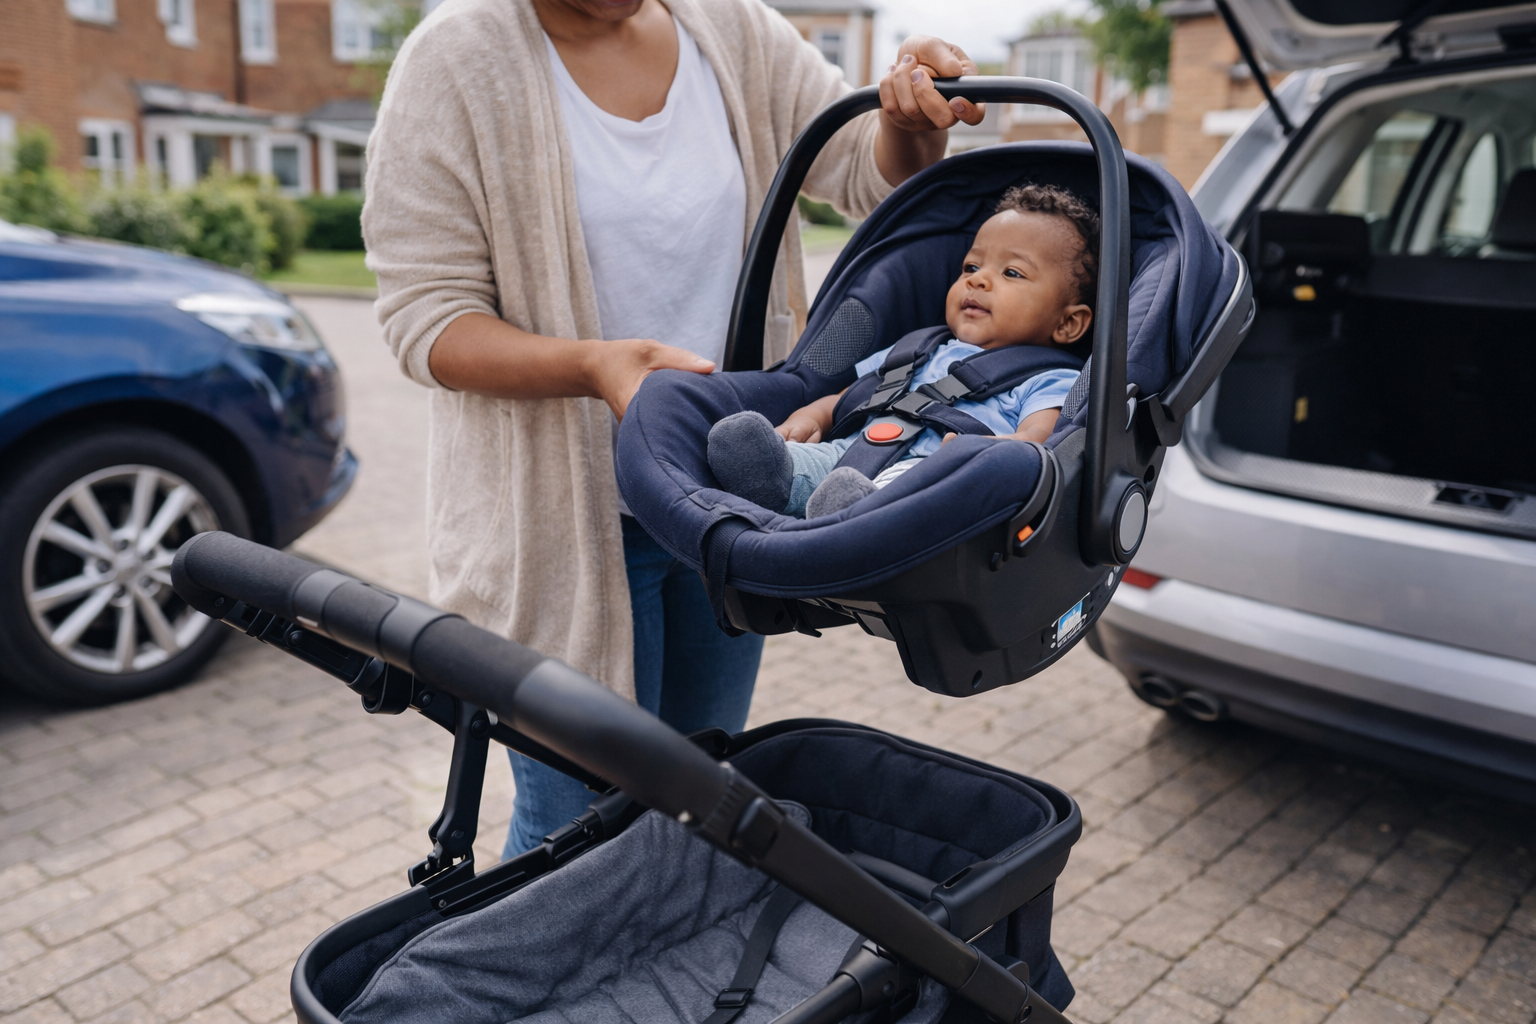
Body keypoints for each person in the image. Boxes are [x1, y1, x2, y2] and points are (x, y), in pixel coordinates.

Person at [362, 0, 984, 857]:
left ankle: (659, 979)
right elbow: (425, 320)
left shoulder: (731, 31)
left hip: (721, 508)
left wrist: (909, 117)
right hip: (565, 531)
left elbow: (868, 174)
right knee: (577, 830)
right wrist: (595, 365)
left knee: (701, 799)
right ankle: (538, 985)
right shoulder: (456, 61)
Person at [707, 184, 1098, 519]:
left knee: (886, 493)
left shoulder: (1052, 378)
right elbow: (854, 396)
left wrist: (988, 453)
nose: (978, 279)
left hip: (934, 478)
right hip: (850, 453)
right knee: (810, 464)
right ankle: (773, 478)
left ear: (1068, 323)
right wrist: (813, 415)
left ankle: (854, 517)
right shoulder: (920, 347)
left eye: (1011, 272)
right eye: (970, 266)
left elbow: (1040, 441)